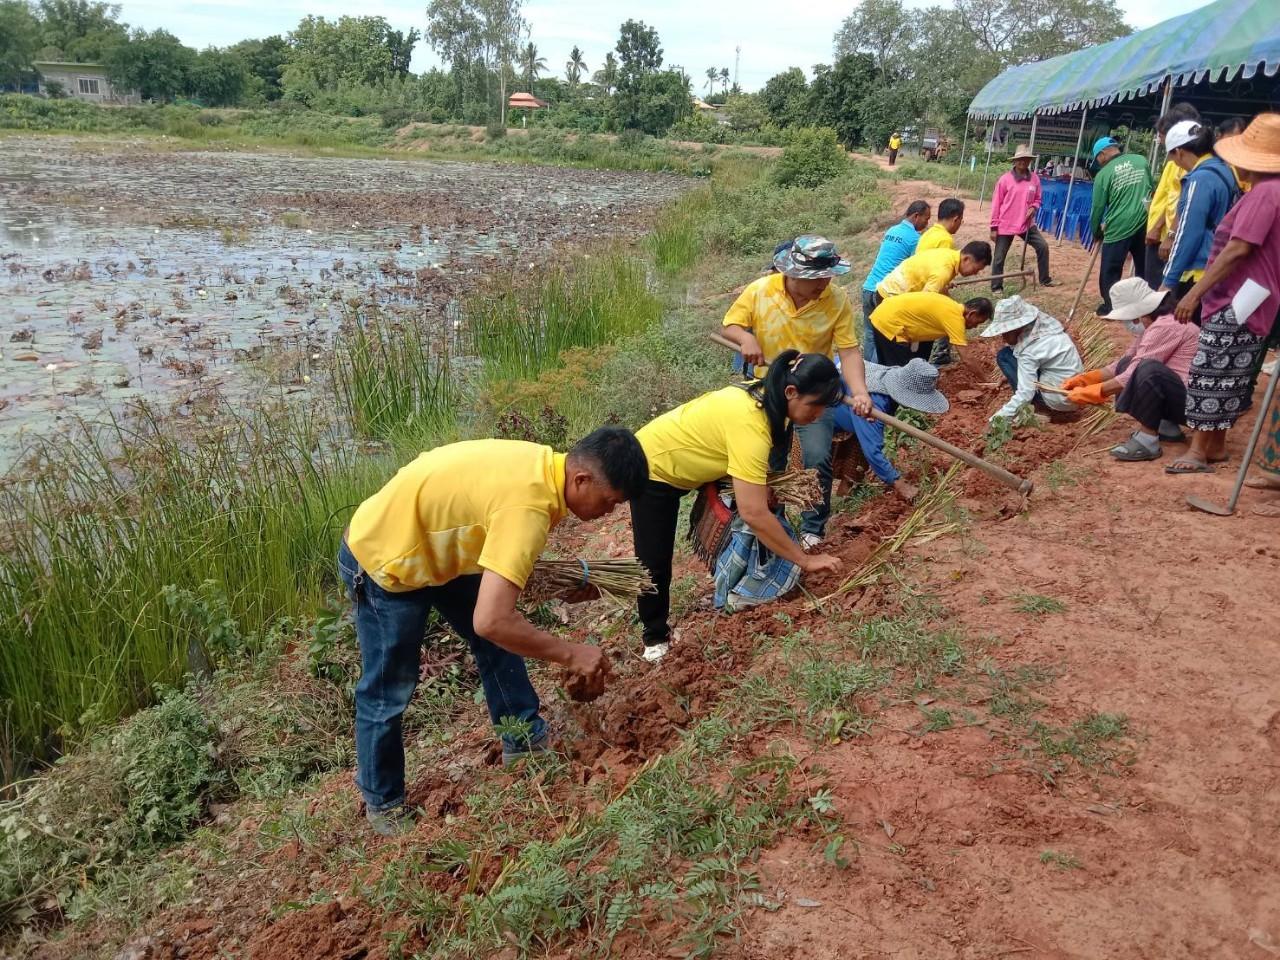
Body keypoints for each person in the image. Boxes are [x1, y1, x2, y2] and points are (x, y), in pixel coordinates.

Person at [340, 428, 649, 834]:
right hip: (385, 558)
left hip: (438, 548)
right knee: (389, 687)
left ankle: (523, 740)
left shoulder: (543, 466)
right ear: (581, 480)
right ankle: (384, 802)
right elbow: (493, 619)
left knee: (498, 641)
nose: (609, 513)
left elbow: (496, 541)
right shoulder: (529, 508)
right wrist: (572, 653)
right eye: (610, 502)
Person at [631, 353, 845, 660]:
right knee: (654, 558)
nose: (819, 413)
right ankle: (654, 639)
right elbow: (754, 513)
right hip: (654, 467)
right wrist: (804, 560)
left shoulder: (770, 401)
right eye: (816, 405)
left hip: (697, 460)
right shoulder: (751, 422)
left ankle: (735, 585)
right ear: (791, 392)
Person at [719, 236, 874, 548]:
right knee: (769, 459)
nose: (825, 283)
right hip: (769, 392)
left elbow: (849, 351)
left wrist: (859, 392)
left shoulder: (836, 300)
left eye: (828, 276)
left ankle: (813, 528)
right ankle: (771, 522)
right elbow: (730, 326)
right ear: (793, 274)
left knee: (817, 456)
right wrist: (745, 340)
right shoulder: (761, 291)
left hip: (813, 393)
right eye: (817, 278)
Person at [1167, 113, 1280, 475]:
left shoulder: (1265, 193)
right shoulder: (1268, 191)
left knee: (1213, 370)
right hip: (1253, 295)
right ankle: (1214, 446)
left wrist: (1193, 294)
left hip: (1238, 296)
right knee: (1231, 370)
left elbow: (1237, 250)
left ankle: (1199, 449)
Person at [1063, 278, 1200, 462]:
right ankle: (1167, 427)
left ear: (1140, 312)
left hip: (1195, 405)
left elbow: (1132, 374)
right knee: (1130, 364)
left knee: (1148, 370)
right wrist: (1086, 379)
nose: (1129, 323)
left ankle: (1147, 440)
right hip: (1183, 398)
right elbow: (1124, 363)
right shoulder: (1155, 325)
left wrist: (1096, 391)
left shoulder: (1167, 326)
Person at [830, 357, 949, 504]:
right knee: (815, 476)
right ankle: (822, 519)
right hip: (815, 415)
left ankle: (844, 499)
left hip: (845, 411)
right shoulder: (873, 404)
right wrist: (899, 484)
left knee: (858, 451)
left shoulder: (886, 376)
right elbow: (873, 452)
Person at [1160, 120, 1238, 324]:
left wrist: (1168, 280)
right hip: (1216, 267)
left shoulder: (1199, 180)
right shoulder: (1224, 170)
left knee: (1186, 335)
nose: (1174, 162)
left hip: (1198, 272)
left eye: (1172, 156)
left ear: (1179, 152)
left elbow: (1188, 232)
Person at [981, 296, 1083, 422]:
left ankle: (1035, 411)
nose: (1003, 337)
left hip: (1057, 398)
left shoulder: (1030, 350)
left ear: (1016, 328)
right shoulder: (1044, 327)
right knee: (1009, 353)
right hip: (1074, 394)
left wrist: (997, 420)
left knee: (1004, 356)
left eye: (1005, 332)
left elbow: (1025, 393)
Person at [1089, 135, 1155, 314]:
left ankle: (1111, 306)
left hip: (1119, 225)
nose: (1099, 163)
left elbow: (1097, 208)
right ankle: (1147, 303)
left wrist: (1096, 231)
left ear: (1102, 155)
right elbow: (1151, 188)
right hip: (1145, 221)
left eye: (1097, 159)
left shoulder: (1103, 174)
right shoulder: (1141, 161)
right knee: (1144, 266)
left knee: (1110, 269)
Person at [861, 201, 931, 361]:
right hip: (886, 293)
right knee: (884, 338)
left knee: (870, 335)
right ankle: (877, 380)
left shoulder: (892, 230)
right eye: (926, 219)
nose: (927, 224)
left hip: (868, 287)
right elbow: (916, 270)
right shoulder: (915, 239)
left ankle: (866, 375)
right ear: (916, 216)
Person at [1144, 103, 1202, 286]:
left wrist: (1168, 234)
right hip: (1161, 234)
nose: (1159, 140)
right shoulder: (1173, 161)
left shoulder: (1188, 164)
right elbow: (1170, 195)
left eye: (1162, 135)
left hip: (1169, 238)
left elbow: (1183, 201)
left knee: (1162, 290)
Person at [989, 145, 1055, 292]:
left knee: (1043, 246)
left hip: (1026, 223)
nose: (1023, 162)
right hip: (1006, 223)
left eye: (1026, 159)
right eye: (1020, 159)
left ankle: (1044, 279)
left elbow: (1038, 199)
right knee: (999, 257)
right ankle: (996, 287)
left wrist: (1034, 207)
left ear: (1030, 161)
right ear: (1015, 161)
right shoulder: (1005, 180)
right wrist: (994, 227)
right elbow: (996, 203)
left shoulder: (1035, 179)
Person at [868, 291, 993, 367]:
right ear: (972, 313)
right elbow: (967, 359)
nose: (975, 326)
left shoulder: (951, 306)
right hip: (889, 322)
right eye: (978, 322)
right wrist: (986, 381)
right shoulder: (955, 318)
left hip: (884, 315)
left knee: (889, 366)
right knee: (897, 370)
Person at [876, 242, 993, 300]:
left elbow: (937, 286)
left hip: (887, 287)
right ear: (966, 259)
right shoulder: (944, 270)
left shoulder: (949, 255)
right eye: (976, 269)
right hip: (891, 295)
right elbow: (926, 301)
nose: (975, 273)